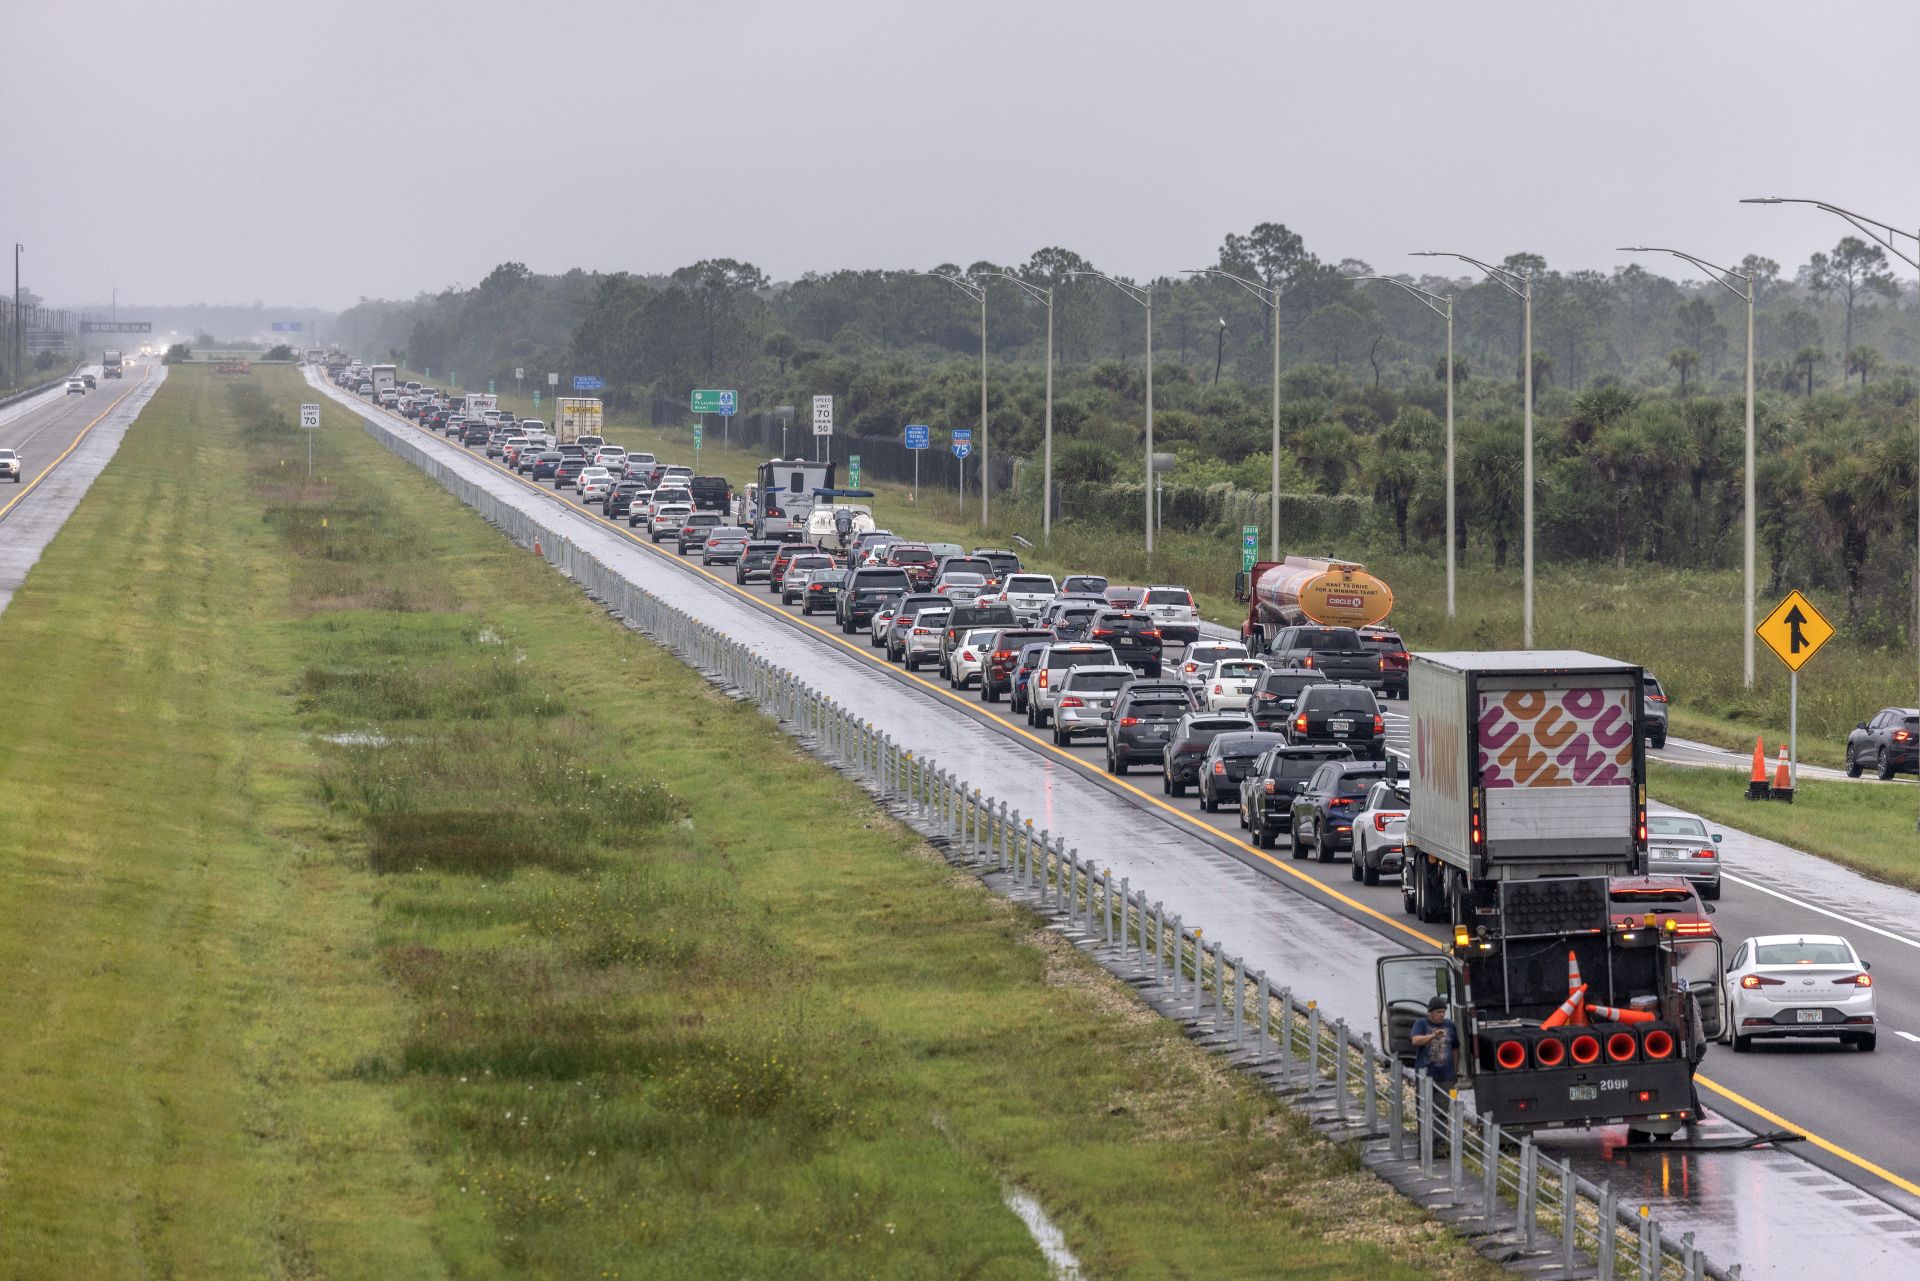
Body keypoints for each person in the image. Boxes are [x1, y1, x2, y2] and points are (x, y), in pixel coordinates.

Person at [1411, 995, 1461, 1089]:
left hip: (1446, 1077)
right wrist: (1433, 1036)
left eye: (1443, 1012)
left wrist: (1455, 1070)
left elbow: (1455, 1048)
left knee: (1450, 1100)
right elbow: (1415, 1041)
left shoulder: (1450, 1025)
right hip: (1425, 1076)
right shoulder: (1421, 1023)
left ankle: (1453, 1102)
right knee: (1424, 1103)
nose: (1442, 1014)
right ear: (1430, 1012)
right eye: (1439, 1012)